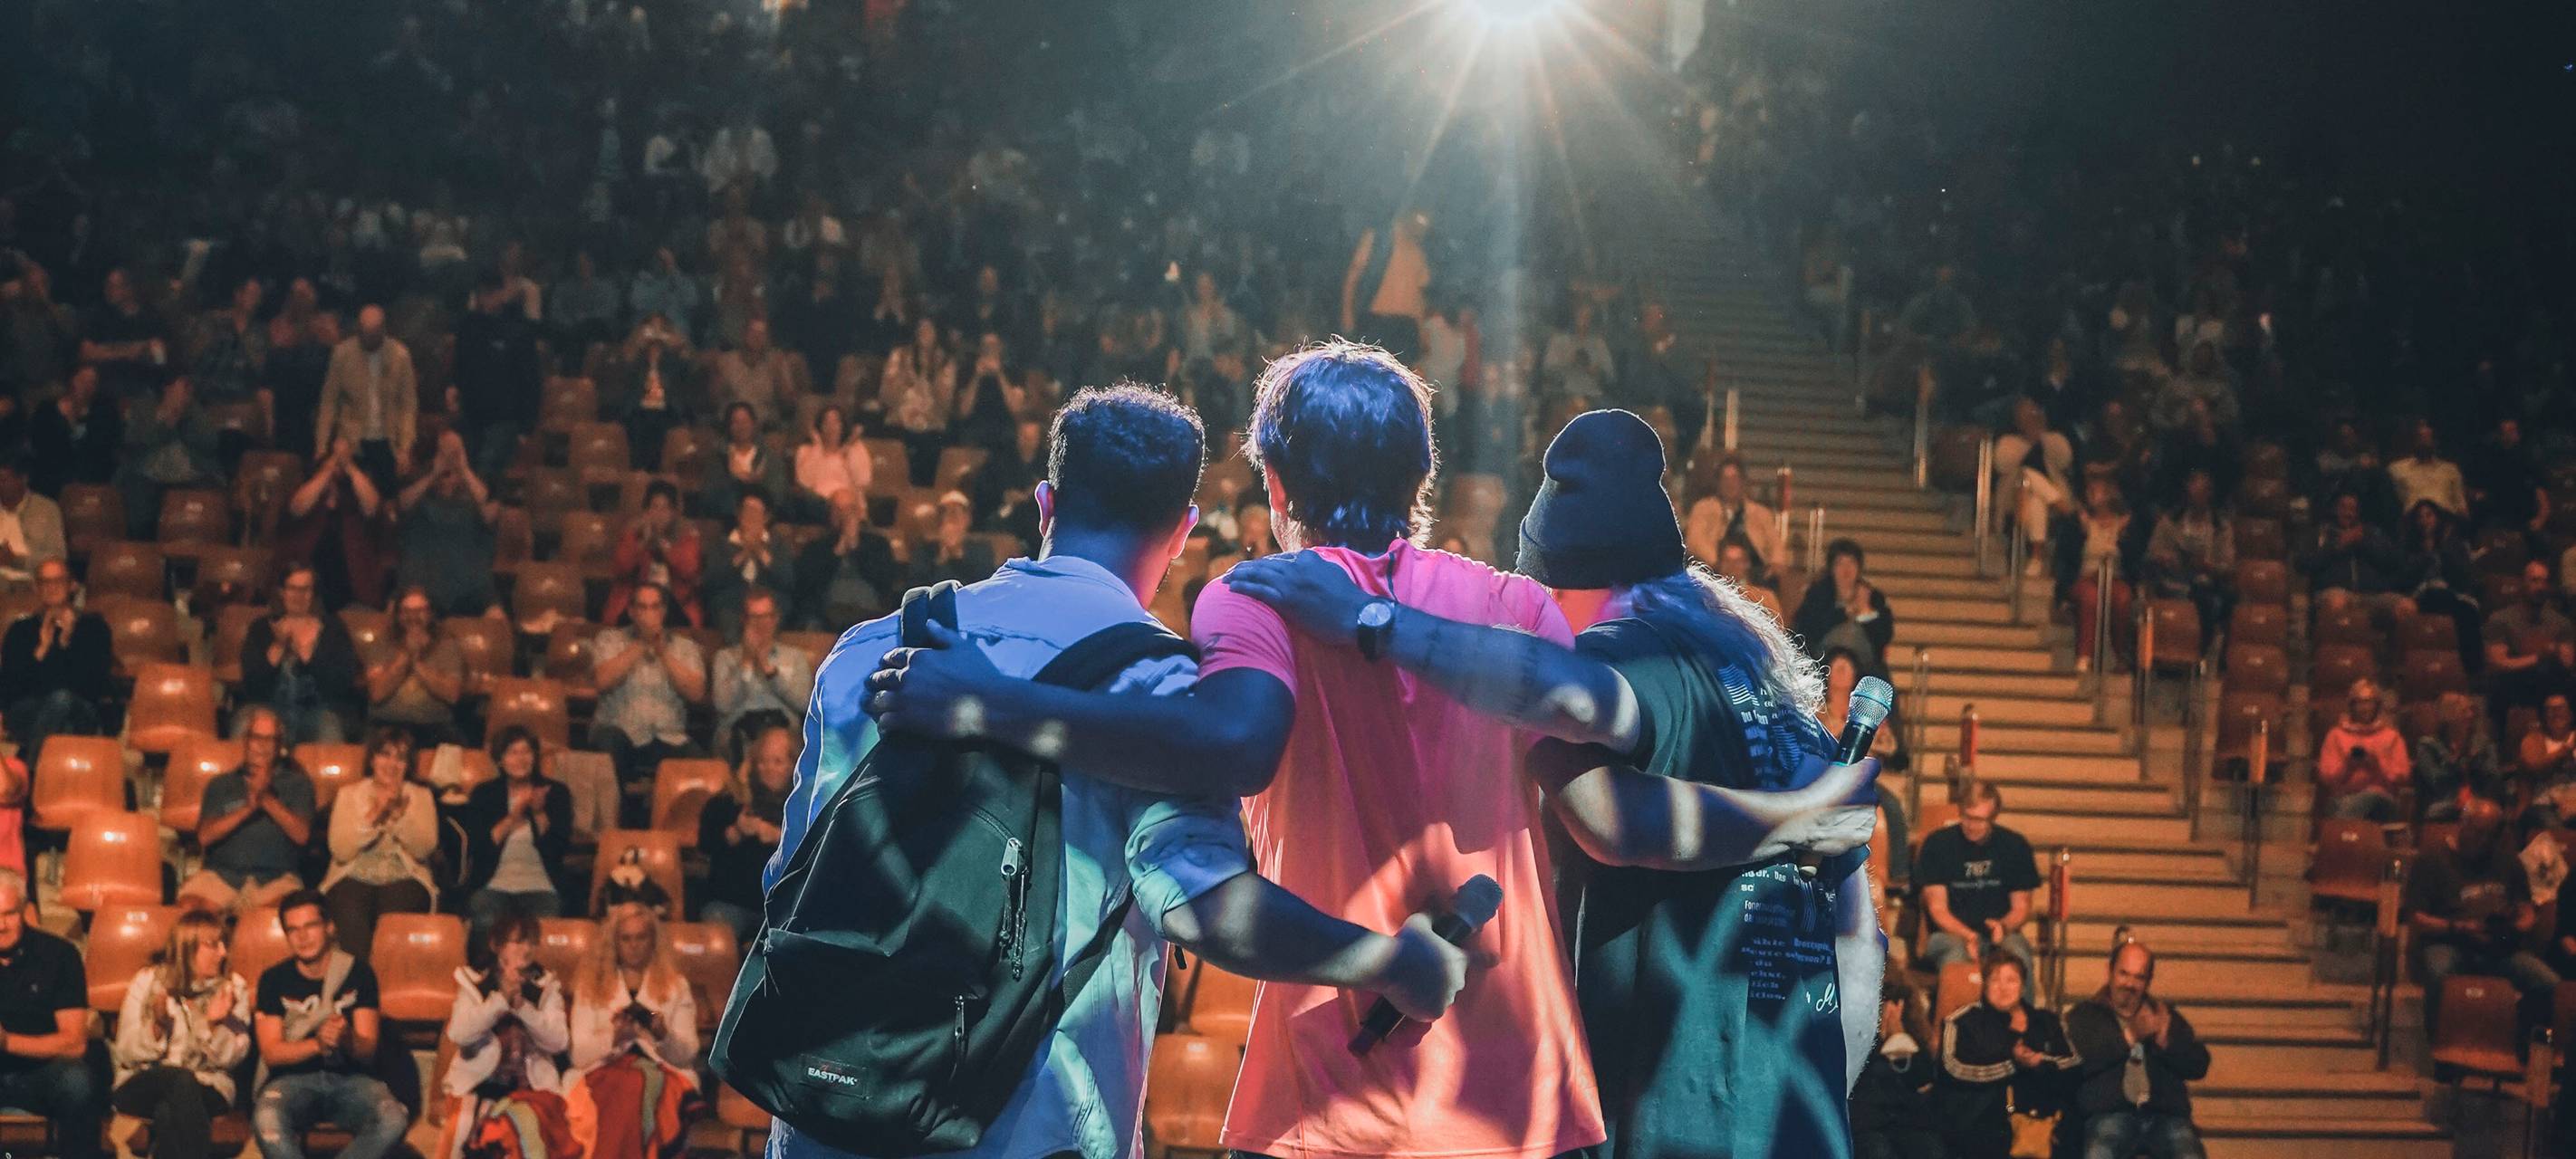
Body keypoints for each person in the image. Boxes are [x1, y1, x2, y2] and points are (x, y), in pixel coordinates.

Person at [1162, 406, 1887, 1157]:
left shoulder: (1616, 655)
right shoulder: (1779, 699)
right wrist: (1815, 1092)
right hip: (1804, 1120)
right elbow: (1860, 940)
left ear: (1561, 585)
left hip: (1670, 1111)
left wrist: (1374, 622)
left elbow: (1611, 815)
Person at [792, 383, 1469, 1159]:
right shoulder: (1161, 689)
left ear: (1045, 502)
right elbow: (1205, 909)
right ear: (1183, 531)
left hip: (829, 1108)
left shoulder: (870, 648)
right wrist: (1387, 962)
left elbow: (796, 877)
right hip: (1025, 1122)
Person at [250, 888, 409, 1159]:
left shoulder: (359, 973)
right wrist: (318, 1044)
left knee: (394, 1119)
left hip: (352, 1080)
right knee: (266, 1119)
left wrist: (345, 1037)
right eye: (293, 930)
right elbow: (272, 1052)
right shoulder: (274, 979)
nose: (302, 937)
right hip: (292, 1081)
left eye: (311, 926)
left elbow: (368, 1050)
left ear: (329, 927)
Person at [2406, 797, 2560, 1031]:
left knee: (2550, 984)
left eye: (2491, 835)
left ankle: (2517, 1035)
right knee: (2440, 973)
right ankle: (2439, 1039)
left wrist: (2513, 925)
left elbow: (2527, 911)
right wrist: (2461, 927)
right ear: (2463, 824)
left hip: (2498, 946)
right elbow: (2417, 919)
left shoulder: (2507, 861)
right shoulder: (2431, 860)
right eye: (2478, 833)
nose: (2484, 841)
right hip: (2450, 941)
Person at [111, 909, 253, 1159]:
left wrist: (213, 1026)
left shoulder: (232, 987)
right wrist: (157, 1027)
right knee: (179, 1080)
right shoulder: (149, 981)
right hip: (144, 1080)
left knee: (169, 1112)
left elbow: (232, 1060)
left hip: (208, 1085)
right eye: (213, 945)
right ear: (187, 948)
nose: (223, 953)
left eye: (224, 944)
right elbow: (125, 1051)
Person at [433, 914, 576, 1159]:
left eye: (531, 942)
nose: (526, 949)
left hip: (530, 1085)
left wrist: (522, 1007)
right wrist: (499, 1002)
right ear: (497, 946)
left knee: (523, 1127)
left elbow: (559, 1042)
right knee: (464, 1124)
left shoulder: (546, 985)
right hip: (480, 1082)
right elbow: (459, 1033)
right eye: (518, 942)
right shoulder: (474, 981)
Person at [567, 903, 700, 1159]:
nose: (634, 946)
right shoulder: (590, 984)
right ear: (614, 942)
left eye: (641, 937)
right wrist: (613, 1038)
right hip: (602, 1071)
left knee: (638, 1088)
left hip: (661, 1070)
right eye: (626, 938)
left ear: (653, 941)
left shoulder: (676, 986)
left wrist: (663, 1035)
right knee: (624, 1090)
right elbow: (579, 1055)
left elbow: (687, 1054)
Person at [2064, 943, 2209, 1159]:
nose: (2130, 984)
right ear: (2110, 971)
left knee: (2189, 1153)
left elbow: (2199, 1065)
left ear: (2148, 981)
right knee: (2098, 1153)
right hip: (2110, 1115)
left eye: (2139, 977)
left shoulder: (2162, 1015)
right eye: (2124, 974)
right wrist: (2129, 1037)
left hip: (2164, 1117)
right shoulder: (2086, 1015)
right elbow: (2077, 1063)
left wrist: (2165, 1042)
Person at [0, 867, 106, 1159]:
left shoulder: (58, 955)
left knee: (77, 1081)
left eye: (9, 914)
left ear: (25, 911)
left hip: (41, 1072)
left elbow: (74, 1043)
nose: (1, 926)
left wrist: (7, 1042)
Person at [180, 708, 319, 914]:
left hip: (276, 880)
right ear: (246, 741)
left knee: (282, 914)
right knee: (190, 910)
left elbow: (302, 835)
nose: (262, 746)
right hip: (221, 877)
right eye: (256, 738)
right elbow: (205, 836)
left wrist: (266, 799)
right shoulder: (221, 784)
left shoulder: (298, 785)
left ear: (279, 745)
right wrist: (249, 808)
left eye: (270, 739)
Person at [1935, 952, 2071, 1159]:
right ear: (1985, 985)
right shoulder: (1962, 1022)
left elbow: (2072, 1063)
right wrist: (2012, 1063)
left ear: (2023, 985)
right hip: (1982, 1128)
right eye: (1995, 980)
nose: (2003, 988)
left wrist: (2039, 1062)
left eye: (2011, 980)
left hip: (2042, 1127)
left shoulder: (2047, 1021)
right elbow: (1951, 1068)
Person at [320, 727, 437, 963]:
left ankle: (386, 980)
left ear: (407, 765)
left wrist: (398, 817)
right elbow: (340, 850)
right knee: (350, 912)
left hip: (405, 876)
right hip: (352, 874)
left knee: (394, 914)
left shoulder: (421, 795)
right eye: (385, 754)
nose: (392, 764)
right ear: (373, 759)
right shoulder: (348, 794)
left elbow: (424, 848)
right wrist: (375, 815)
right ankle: (360, 980)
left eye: (401, 758)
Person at [590, 580, 705, 822]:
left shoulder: (685, 647)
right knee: (608, 741)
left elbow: (696, 692)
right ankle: (614, 823)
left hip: (669, 737)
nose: (649, 614)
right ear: (631, 611)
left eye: (654, 607)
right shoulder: (609, 640)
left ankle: (683, 829)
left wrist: (663, 652)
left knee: (700, 759)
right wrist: (642, 644)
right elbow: (602, 680)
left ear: (663, 611)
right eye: (642, 607)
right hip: (622, 734)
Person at [1915, 781, 2041, 972]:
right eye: (1967, 817)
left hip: (2001, 932)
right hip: (1949, 933)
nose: (1972, 826)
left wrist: (2003, 927)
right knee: (1956, 955)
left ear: (1993, 818)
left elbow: (2021, 906)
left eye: (1980, 820)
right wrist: (1967, 935)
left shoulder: (2015, 846)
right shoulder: (1937, 844)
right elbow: (1937, 908)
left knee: (2017, 954)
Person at [459, 726, 574, 933]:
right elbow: (479, 849)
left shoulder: (555, 792)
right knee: (485, 921)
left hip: (541, 886)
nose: (521, 759)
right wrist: (513, 817)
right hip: (493, 885)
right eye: (512, 752)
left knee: (544, 926)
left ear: (535, 757)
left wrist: (539, 813)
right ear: (500, 760)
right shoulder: (484, 794)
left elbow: (558, 849)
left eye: (526, 752)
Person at [0, 558, 112, 761]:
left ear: (72, 585)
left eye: (58, 581)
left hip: (80, 708)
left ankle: (30, 767)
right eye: (45, 582)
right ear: (36, 588)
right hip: (30, 709)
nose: (51, 588)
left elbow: (92, 684)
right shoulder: (20, 630)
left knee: (62, 700)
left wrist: (65, 642)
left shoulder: (93, 627)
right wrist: (41, 650)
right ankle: (46, 768)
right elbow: (11, 687)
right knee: (61, 720)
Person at [241, 563, 364, 745]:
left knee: (328, 727)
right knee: (245, 722)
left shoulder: (333, 629)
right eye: (293, 589)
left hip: (318, 710)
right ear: (282, 592)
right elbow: (251, 685)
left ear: (313, 593)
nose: (299, 596)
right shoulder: (261, 628)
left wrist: (308, 656)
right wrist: (278, 646)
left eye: (305, 589)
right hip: (269, 707)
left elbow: (341, 684)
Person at [697, 714, 792, 943]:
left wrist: (778, 838)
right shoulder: (730, 802)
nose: (769, 769)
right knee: (716, 926)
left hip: (786, 905)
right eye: (763, 762)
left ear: (793, 764)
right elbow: (706, 844)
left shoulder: (805, 803)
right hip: (732, 902)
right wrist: (736, 832)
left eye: (777, 762)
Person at [450, 268, 544, 483]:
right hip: (471, 415)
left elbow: (530, 382)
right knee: (467, 476)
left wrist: (526, 428)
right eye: (482, 294)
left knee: (486, 479)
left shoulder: (519, 331)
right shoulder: (468, 326)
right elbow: (459, 366)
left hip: (504, 420)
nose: (486, 299)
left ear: (501, 293)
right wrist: (453, 386)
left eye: (490, 293)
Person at [394, 429, 501, 617]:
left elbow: (489, 513)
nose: (449, 461)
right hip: (423, 575)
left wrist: (463, 469)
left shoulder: (476, 490)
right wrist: (434, 473)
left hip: (471, 578)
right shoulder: (419, 487)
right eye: (444, 453)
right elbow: (403, 504)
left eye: (455, 453)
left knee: (496, 617)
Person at [276, 438, 389, 612]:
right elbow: (297, 507)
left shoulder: (354, 504)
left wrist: (349, 466)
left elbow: (372, 507)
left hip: (353, 592)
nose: (336, 472)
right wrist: (329, 467)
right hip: (304, 589)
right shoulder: (306, 497)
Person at [313, 304, 418, 485]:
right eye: (365, 335)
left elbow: (408, 405)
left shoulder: (400, 355)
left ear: (383, 330)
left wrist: (405, 446)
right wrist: (321, 446)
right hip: (351, 439)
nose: (368, 341)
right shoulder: (342, 354)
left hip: (388, 438)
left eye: (373, 336)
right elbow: (329, 402)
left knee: (390, 490)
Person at [115, 373, 224, 540]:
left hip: (190, 477)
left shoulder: (195, 410)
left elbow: (210, 442)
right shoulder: (143, 408)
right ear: (167, 388)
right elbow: (136, 441)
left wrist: (185, 414)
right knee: (137, 497)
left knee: (208, 493)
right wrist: (166, 421)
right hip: (147, 475)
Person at [1851, 972, 1947, 1159]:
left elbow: (1923, 1080)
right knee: (1879, 1150)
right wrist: (1878, 1041)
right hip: (1869, 1123)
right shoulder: (1855, 1034)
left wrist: (1899, 1036)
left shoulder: (1914, 1035)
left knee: (1932, 1150)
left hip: (1907, 1121)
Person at [2144, 467, 2234, 655]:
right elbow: (2152, 553)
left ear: (2208, 494)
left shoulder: (2220, 526)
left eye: (2200, 493)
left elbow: (2228, 565)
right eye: (2192, 492)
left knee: (2213, 602)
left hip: (2205, 584)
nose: (2195, 498)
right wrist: (2165, 558)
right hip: (2171, 582)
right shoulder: (2170, 521)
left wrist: (2208, 566)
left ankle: (2200, 654)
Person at [364, 585, 467, 743]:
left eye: (420, 611)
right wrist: (405, 657)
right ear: (398, 614)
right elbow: (377, 693)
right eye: (406, 611)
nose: (413, 617)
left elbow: (452, 695)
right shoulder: (381, 643)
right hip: (386, 724)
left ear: (430, 613)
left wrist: (417, 664)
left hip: (434, 725)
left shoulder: (447, 645)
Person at [790, 488, 901, 630]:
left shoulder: (878, 544)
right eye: (838, 510)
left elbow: (883, 581)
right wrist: (837, 552)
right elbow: (809, 586)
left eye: (850, 509)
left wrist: (855, 547)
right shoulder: (816, 546)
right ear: (831, 514)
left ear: (859, 513)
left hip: (869, 610)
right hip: (827, 613)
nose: (845, 516)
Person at [710, 589, 813, 740]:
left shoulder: (794, 657)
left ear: (776, 619)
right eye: (754, 617)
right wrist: (746, 662)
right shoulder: (725, 657)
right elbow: (723, 706)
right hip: (738, 733)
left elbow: (804, 704)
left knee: (779, 740)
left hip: (783, 732)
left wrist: (769, 671)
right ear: (744, 620)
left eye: (766, 617)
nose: (761, 624)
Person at [2485, 560, 2573, 727]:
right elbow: (2498, 663)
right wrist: (2539, 656)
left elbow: (2567, 662)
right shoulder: (2501, 620)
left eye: (2544, 581)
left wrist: (2554, 652)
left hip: (2551, 682)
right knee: (2502, 685)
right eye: (2535, 580)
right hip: (2514, 683)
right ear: (2522, 583)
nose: (2540, 587)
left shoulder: (2561, 623)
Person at [1993, 397, 2075, 575]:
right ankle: (2061, 505)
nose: (2030, 418)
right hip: (2015, 500)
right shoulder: (2008, 442)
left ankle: (2037, 557)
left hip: (2041, 502)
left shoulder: (2054, 439)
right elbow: (2002, 463)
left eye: (2033, 414)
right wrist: (2028, 441)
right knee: (2027, 475)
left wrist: (2041, 436)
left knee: (2036, 499)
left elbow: (2065, 459)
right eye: (2025, 415)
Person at [603, 481, 703, 627]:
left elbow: (689, 571)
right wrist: (641, 544)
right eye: (655, 507)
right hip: (636, 602)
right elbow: (621, 569)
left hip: (675, 603)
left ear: (674, 513)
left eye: (665, 508)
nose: (659, 514)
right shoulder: (634, 533)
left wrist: (667, 550)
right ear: (646, 511)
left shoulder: (686, 536)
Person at [2301, 493, 2409, 622]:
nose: (2348, 513)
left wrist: (2364, 543)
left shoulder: (2373, 534)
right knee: (2337, 603)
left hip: (2372, 595)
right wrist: (2336, 546)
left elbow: (2392, 562)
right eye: (2343, 507)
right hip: (2333, 592)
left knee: (2407, 607)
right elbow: (2304, 564)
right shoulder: (2320, 533)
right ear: (2335, 509)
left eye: (2352, 509)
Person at [1341, 209, 1432, 360]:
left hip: (1405, 330)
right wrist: (1347, 315)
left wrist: (1422, 333)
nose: (1423, 228)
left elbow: (1418, 297)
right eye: (1421, 220)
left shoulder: (1419, 252)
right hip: (1376, 323)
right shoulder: (1378, 239)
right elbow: (1353, 277)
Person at [2316, 679, 2411, 821]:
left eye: (2368, 702)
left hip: (2383, 800)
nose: (2364, 708)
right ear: (2352, 705)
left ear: (2377, 705)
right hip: (2344, 798)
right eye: (2359, 703)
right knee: (2339, 805)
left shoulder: (2392, 737)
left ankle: (2341, 825)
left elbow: (2402, 776)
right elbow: (2326, 776)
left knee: (2372, 796)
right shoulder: (2336, 736)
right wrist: (2348, 766)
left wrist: (2377, 766)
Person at [1795, 538, 1896, 669]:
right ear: (1831, 568)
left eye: (1851, 563)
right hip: (1824, 663)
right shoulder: (1817, 595)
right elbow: (1807, 630)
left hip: (1863, 667)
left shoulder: (1873, 597)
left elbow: (1884, 637)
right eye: (1840, 563)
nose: (1846, 569)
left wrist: (1865, 612)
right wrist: (1843, 613)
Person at [704, 493, 794, 635]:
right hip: (732, 602)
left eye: (756, 512)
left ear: (766, 517)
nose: (751, 517)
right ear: (739, 515)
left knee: (776, 610)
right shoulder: (721, 543)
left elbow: (787, 580)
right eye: (747, 511)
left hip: (769, 599)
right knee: (726, 614)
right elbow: (712, 582)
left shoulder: (778, 543)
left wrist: (759, 550)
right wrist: (744, 553)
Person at [1683, 455, 1784, 576]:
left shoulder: (1760, 513)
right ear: (1718, 483)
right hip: (1714, 573)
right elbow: (1695, 540)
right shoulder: (1703, 509)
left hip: (1753, 575)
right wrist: (1722, 564)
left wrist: (1776, 563)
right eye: (1725, 479)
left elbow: (1775, 543)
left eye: (1734, 478)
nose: (1730, 484)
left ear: (1743, 482)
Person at [2414, 691, 2500, 820]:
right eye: (2464, 711)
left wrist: (2475, 762)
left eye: (2471, 710)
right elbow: (2436, 780)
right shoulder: (2428, 745)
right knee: (2459, 810)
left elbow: (2493, 775)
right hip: (2443, 802)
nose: (2470, 715)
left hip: (2478, 801)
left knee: (2486, 811)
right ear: (2448, 716)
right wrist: (2458, 763)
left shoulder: (2483, 744)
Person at [698, 401, 791, 521]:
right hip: (726, 518)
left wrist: (757, 486)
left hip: (764, 519)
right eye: (735, 422)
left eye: (745, 422)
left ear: (754, 424)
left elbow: (778, 494)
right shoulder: (718, 458)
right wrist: (734, 480)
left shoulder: (769, 457)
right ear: (729, 426)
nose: (741, 427)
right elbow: (709, 495)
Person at [711, 317, 796, 429]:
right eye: (753, 332)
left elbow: (789, 404)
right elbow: (713, 400)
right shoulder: (726, 361)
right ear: (743, 334)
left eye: (761, 334)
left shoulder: (777, 362)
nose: (757, 337)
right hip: (733, 425)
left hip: (766, 425)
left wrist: (779, 375)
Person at [904, 490, 998, 588]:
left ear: (967, 520)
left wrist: (957, 553)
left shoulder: (981, 549)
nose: (952, 519)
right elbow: (917, 586)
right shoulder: (925, 550)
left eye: (957, 514)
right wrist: (943, 556)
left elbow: (984, 584)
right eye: (947, 513)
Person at [791, 404, 871, 517]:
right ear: (819, 427)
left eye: (836, 422)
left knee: (844, 501)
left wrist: (847, 449)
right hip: (817, 506)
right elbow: (804, 482)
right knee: (840, 500)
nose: (831, 427)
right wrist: (817, 447)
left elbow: (863, 481)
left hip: (849, 505)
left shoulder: (856, 449)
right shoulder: (806, 450)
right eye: (826, 422)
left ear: (843, 426)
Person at [0, 455, 66, 590]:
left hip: (33, 582)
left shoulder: (46, 509)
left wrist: (17, 560)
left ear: (23, 479)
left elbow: (58, 557)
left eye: (3, 480)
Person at [2386, 419, 2468, 521]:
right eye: (2421, 438)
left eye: (2428, 438)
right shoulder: (2397, 469)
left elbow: (2460, 505)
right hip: (2414, 522)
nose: (2424, 442)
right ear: (2414, 441)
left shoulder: (2450, 470)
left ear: (2435, 442)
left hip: (2445, 521)